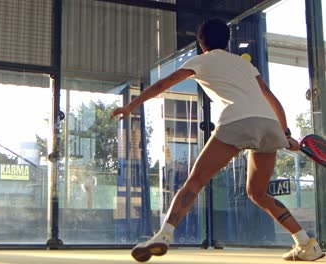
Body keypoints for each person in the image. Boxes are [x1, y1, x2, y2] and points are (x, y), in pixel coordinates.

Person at [110, 18, 325, 262]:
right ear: (228, 41)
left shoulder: (201, 60)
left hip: (237, 120)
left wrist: (130, 106)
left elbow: (164, 83)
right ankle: (306, 244)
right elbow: (272, 99)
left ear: (201, 43)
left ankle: (164, 235)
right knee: (258, 193)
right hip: (268, 123)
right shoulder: (246, 67)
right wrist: (285, 135)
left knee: (194, 182)